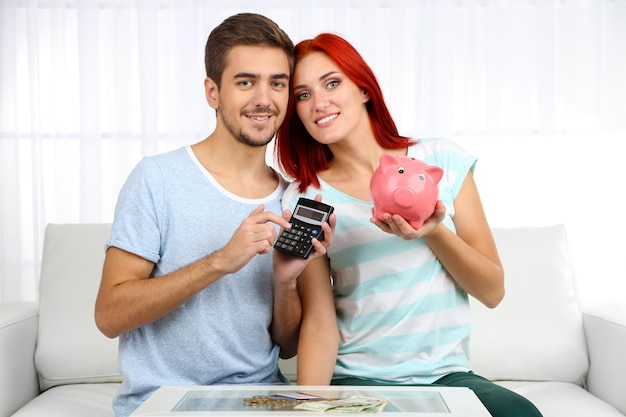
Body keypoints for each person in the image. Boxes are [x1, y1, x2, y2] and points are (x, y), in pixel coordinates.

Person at [274, 33, 543, 417]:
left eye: (332, 83)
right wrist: (310, 405)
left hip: (447, 376)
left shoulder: (441, 160)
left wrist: (432, 230)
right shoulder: (309, 197)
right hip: (357, 379)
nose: (320, 103)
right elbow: (319, 320)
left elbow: (492, 290)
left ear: (364, 89)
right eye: (302, 95)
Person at [94, 14, 334, 417]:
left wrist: (285, 283)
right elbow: (109, 316)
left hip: (262, 401)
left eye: (277, 83)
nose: (264, 99)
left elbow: (287, 345)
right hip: (164, 404)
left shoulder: (291, 197)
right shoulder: (158, 178)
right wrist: (221, 261)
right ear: (213, 92)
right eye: (245, 82)